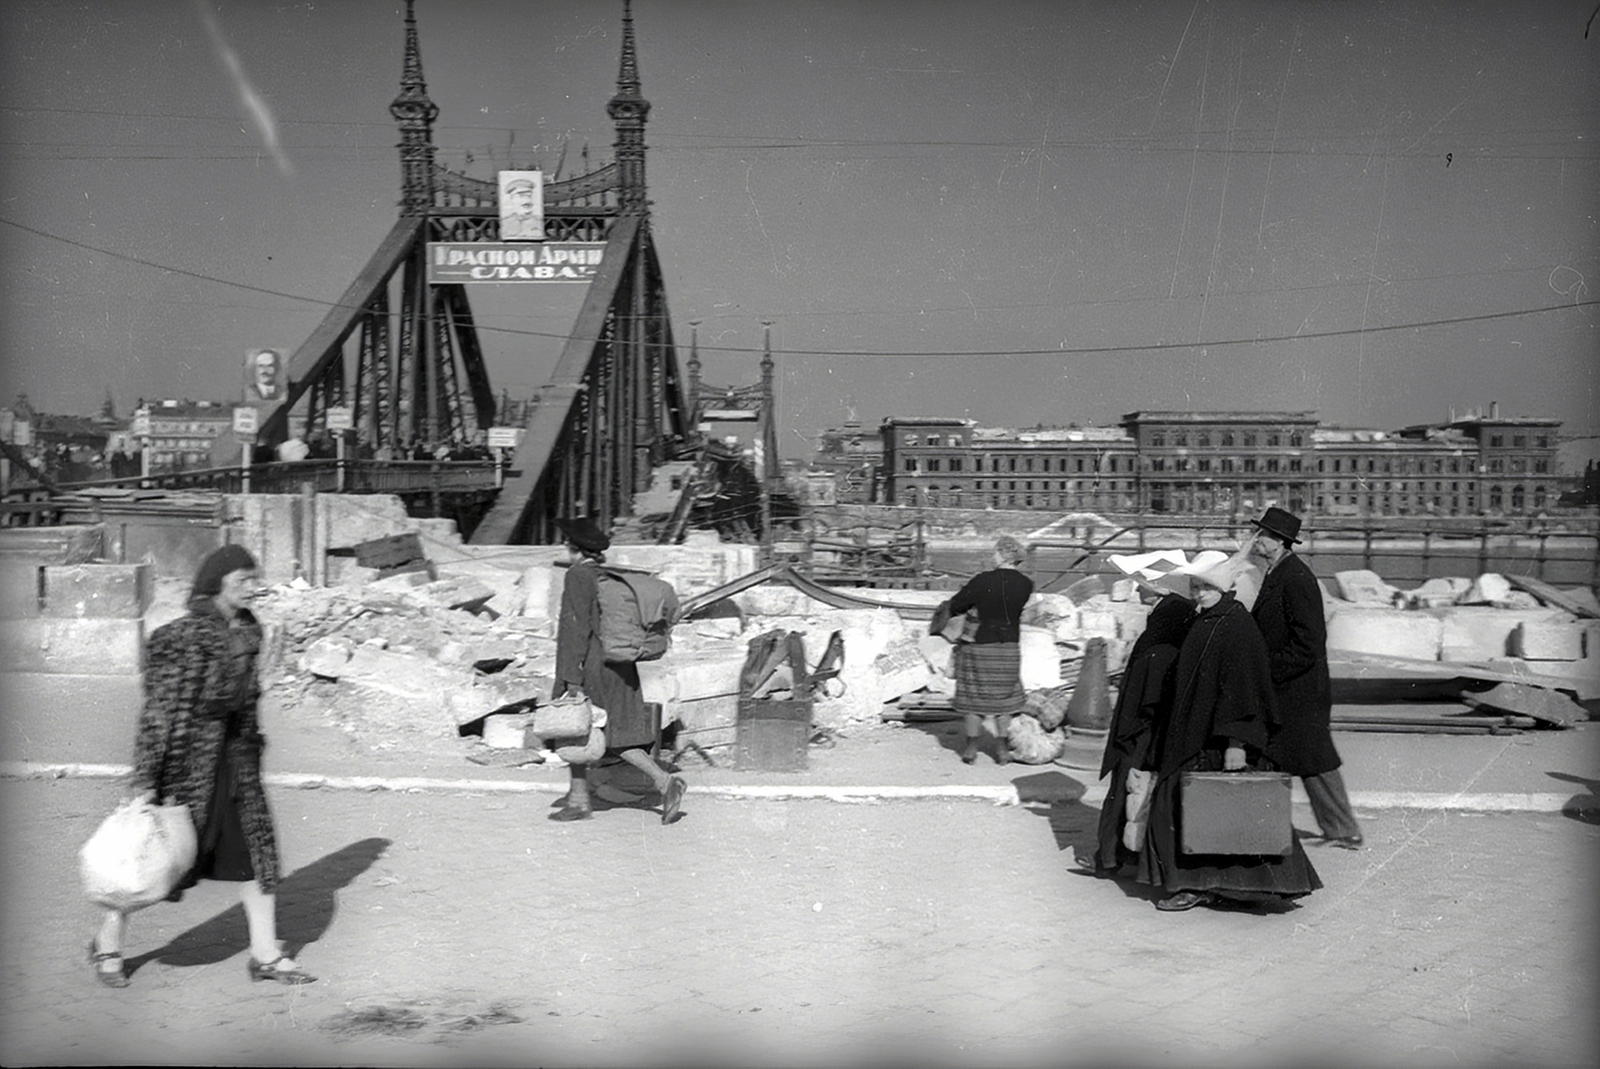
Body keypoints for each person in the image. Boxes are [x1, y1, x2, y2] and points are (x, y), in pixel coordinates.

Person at [89, 546, 314, 987]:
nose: (253, 587)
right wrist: (145, 779)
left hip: (237, 762)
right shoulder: (178, 637)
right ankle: (107, 943)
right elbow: (158, 712)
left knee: (256, 854)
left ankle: (265, 954)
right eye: (243, 579)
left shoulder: (250, 631)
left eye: (255, 579)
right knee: (157, 860)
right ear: (217, 582)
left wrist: (251, 747)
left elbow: (248, 706)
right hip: (188, 765)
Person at [1135, 558, 1322, 912]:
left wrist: (1236, 743)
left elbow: (1245, 688)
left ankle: (1196, 885)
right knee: (1196, 811)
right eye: (1195, 587)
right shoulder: (1206, 619)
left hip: (1219, 740)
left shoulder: (1236, 626)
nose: (1199, 594)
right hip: (1193, 734)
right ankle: (1204, 883)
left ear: (1225, 589)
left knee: (1204, 810)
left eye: (1206, 587)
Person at [550, 516, 687, 824]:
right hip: (619, 666)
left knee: (585, 732)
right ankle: (580, 799)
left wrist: (570, 678)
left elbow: (575, 629)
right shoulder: (605, 575)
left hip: (593, 669)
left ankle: (663, 783)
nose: (564, 546)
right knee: (600, 735)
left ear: (573, 547)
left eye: (566, 542)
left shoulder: (577, 576)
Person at [1249, 507, 1364, 849]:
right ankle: (1333, 829)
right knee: (1301, 757)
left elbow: (1309, 643)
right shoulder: (1278, 572)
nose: (1256, 540)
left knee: (1314, 759)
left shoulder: (1295, 578)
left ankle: (1344, 830)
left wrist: (1267, 672)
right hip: (1293, 688)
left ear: (1278, 542)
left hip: (1299, 690)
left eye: (1263, 535)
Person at [1090, 591, 1193, 876]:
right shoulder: (1175, 652)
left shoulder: (1152, 651)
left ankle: (1107, 858)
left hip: (1134, 740)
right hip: (1153, 740)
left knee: (1121, 796)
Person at [946, 534, 1034, 765]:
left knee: (973, 698)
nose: (992, 556)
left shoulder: (982, 580)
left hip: (979, 646)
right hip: (1009, 647)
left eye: (995, 552)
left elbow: (957, 605)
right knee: (1004, 700)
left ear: (1004, 554)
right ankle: (1002, 749)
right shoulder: (1026, 584)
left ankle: (971, 748)